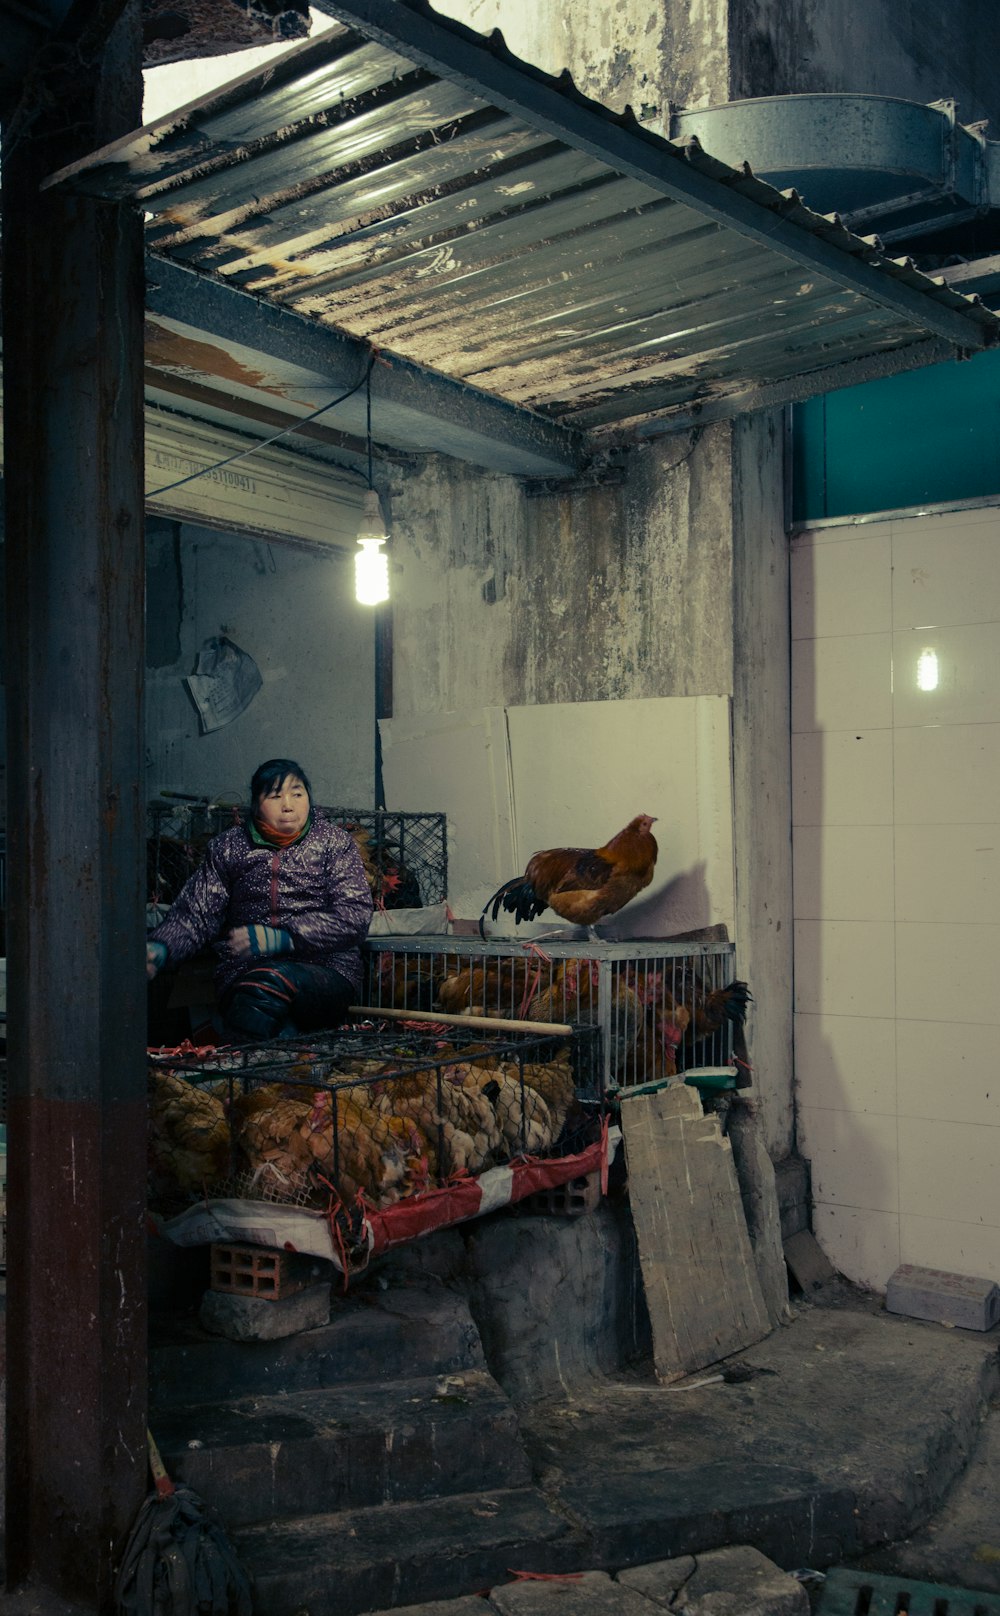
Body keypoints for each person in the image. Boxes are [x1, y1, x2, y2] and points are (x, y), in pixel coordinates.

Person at [146, 758, 374, 1042]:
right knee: (280, 1042)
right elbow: (197, 913)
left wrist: (285, 938)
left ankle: (233, 1073)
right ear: (256, 804)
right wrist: (161, 946)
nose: (288, 805)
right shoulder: (228, 847)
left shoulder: (334, 843)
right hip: (244, 974)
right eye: (275, 796)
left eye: (297, 794)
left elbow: (353, 916)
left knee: (270, 983)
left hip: (326, 973)